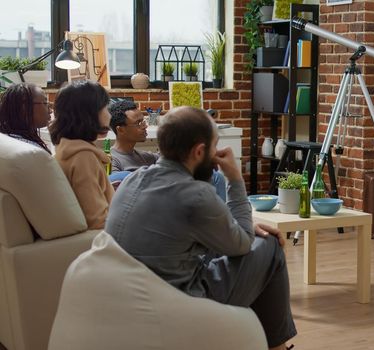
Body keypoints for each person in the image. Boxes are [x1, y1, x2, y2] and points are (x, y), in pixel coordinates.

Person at [105, 106, 296, 350]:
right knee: (269, 245)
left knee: (240, 241)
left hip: (134, 298)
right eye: (214, 146)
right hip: (180, 303)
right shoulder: (194, 195)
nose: (217, 153)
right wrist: (235, 179)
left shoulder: (133, 180)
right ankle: (276, 347)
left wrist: (239, 226)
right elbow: (243, 244)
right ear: (198, 151)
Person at [107, 99, 226, 199]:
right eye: (138, 123)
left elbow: (177, 162)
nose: (145, 126)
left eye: (143, 121)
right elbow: (120, 191)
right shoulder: (112, 160)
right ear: (120, 130)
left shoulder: (146, 156)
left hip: (169, 198)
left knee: (216, 177)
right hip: (149, 207)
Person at [49, 80, 114, 229]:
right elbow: (97, 220)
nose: (109, 114)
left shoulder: (67, 148)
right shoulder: (83, 158)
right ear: (90, 113)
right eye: (106, 107)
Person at [0, 82, 52, 153]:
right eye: (45, 103)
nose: (51, 111)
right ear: (24, 107)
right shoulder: (33, 152)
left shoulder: (6, 140)